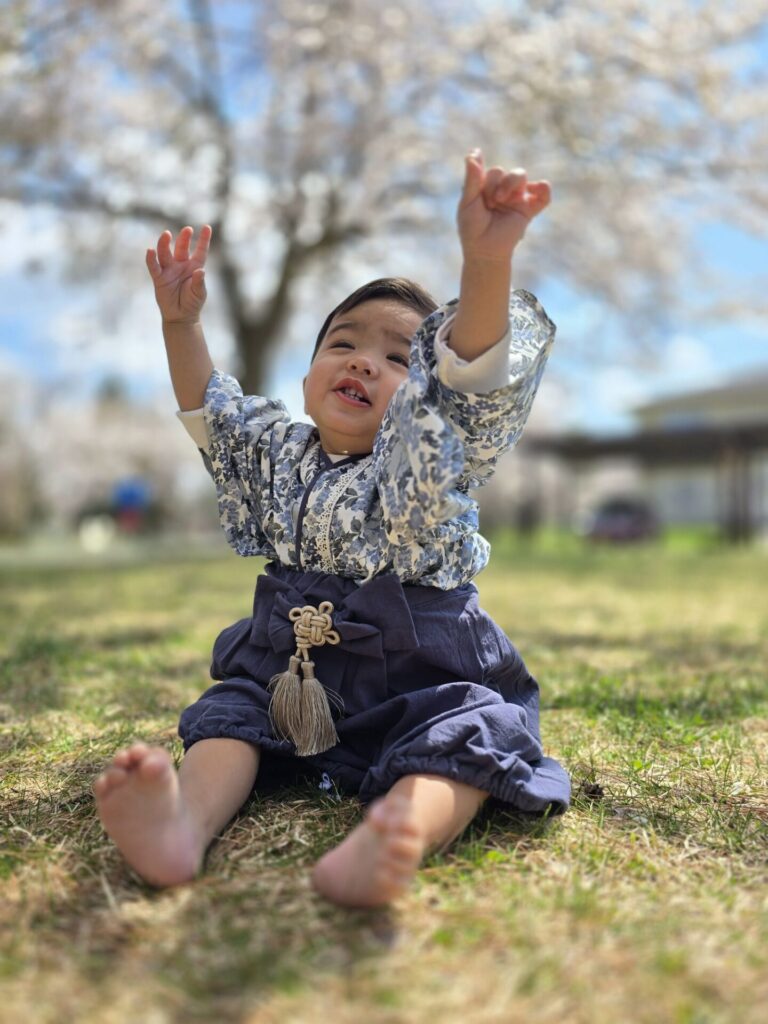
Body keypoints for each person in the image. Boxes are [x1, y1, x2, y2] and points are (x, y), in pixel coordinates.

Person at [93, 149, 571, 907]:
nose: (364, 362)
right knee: (228, 716)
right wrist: (181, 323)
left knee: (468, 735)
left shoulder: (426, 449)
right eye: (343, 343)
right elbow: (211, 415)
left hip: (422, 676)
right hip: (290, 674)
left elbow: (471, 382)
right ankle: (182, 826)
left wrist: (486, 261)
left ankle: (400, 830)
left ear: (426, 393)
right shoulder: (277, 452)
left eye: (397, 357)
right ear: (308, 374)